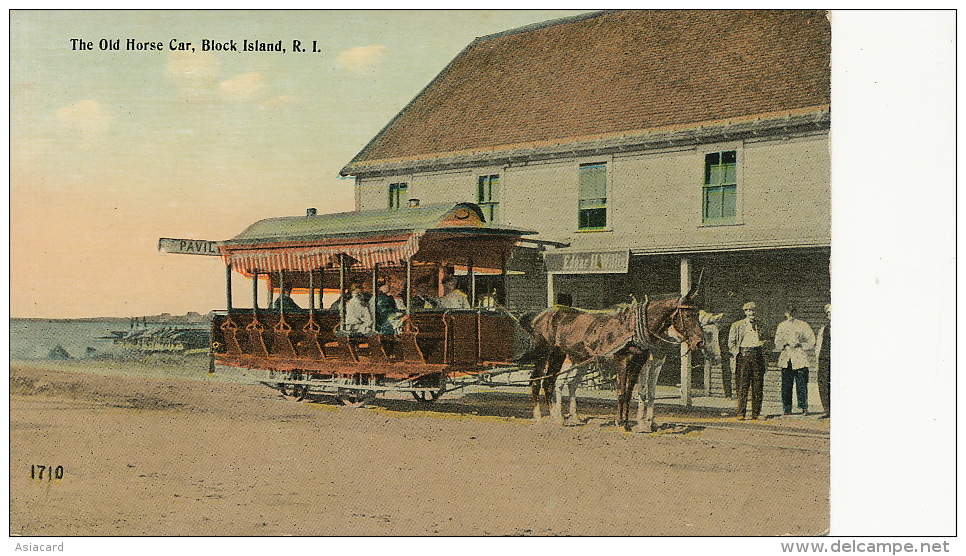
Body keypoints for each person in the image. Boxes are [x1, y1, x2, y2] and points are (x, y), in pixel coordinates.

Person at [728, 301, 768, 420]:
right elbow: (731, 343)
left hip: (757, 356)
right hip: (743, 357)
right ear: (745, 312)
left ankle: (756, 413)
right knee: (742, 386)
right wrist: (738, 354)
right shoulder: (737, 325)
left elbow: (767, 339)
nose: (752, 313)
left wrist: (764, 344)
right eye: (749, 311)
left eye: (753, 310)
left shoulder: (761, 325)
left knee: (757, 386)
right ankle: (741, 413)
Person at [774, 306, 816, 415]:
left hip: (799, 356)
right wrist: (784, 344)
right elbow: (777, 341)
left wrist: (801, 344)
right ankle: (787, 408)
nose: (790, 315)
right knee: (786, 385)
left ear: (796, 312)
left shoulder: (803, 325)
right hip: (787, 356)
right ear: (785, 313)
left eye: (793, 312)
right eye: (788, 312)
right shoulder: (782, 326)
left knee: (801, 384)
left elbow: (812, 340)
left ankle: (802, 407)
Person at [815, 303, 831, 417]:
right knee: (823, 384)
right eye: (829, 313)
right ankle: (828, 410)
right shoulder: (823, 329)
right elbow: (819, 346)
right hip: (824, 359)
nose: (832, 315)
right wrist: (817, 360)